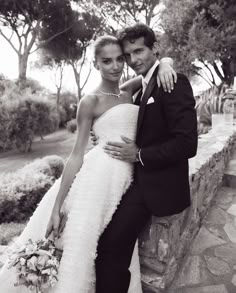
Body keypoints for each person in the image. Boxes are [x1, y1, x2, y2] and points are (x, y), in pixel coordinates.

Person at [0, 35, 176, 293]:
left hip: (125, 180)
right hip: (96, 181)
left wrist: (167, 63)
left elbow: (156, 64)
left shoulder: (129, 90)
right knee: (81, 244)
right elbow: (76, 154)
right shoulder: (90, 101)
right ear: (95, 64)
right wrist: (57, 205)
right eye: (107, 61)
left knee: (114, 245)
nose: (115, 66)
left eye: (120, 59)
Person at [95, 24, 198, 293]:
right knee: (107, 241)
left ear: (154, 49)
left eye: (138, 51)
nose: (133, 60)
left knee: (109, 246)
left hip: (156, 184)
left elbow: (187, 143)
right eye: (127, 55)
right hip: (132, 179)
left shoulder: (173, 82)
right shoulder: (143, 85)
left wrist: (139, 154)